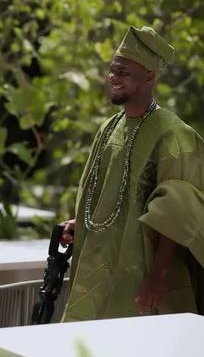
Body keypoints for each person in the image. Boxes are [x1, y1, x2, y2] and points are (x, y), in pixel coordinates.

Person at [61, 25, 204, 322]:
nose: (113, 78)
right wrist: (83, 222)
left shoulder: (173, 134)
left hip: (143, 275)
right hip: (97, 269)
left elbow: (179, 211)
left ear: (149, 76)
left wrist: (156, 277)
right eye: (112, 71)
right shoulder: (109, 127)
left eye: (123, 72)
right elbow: (107, 197)